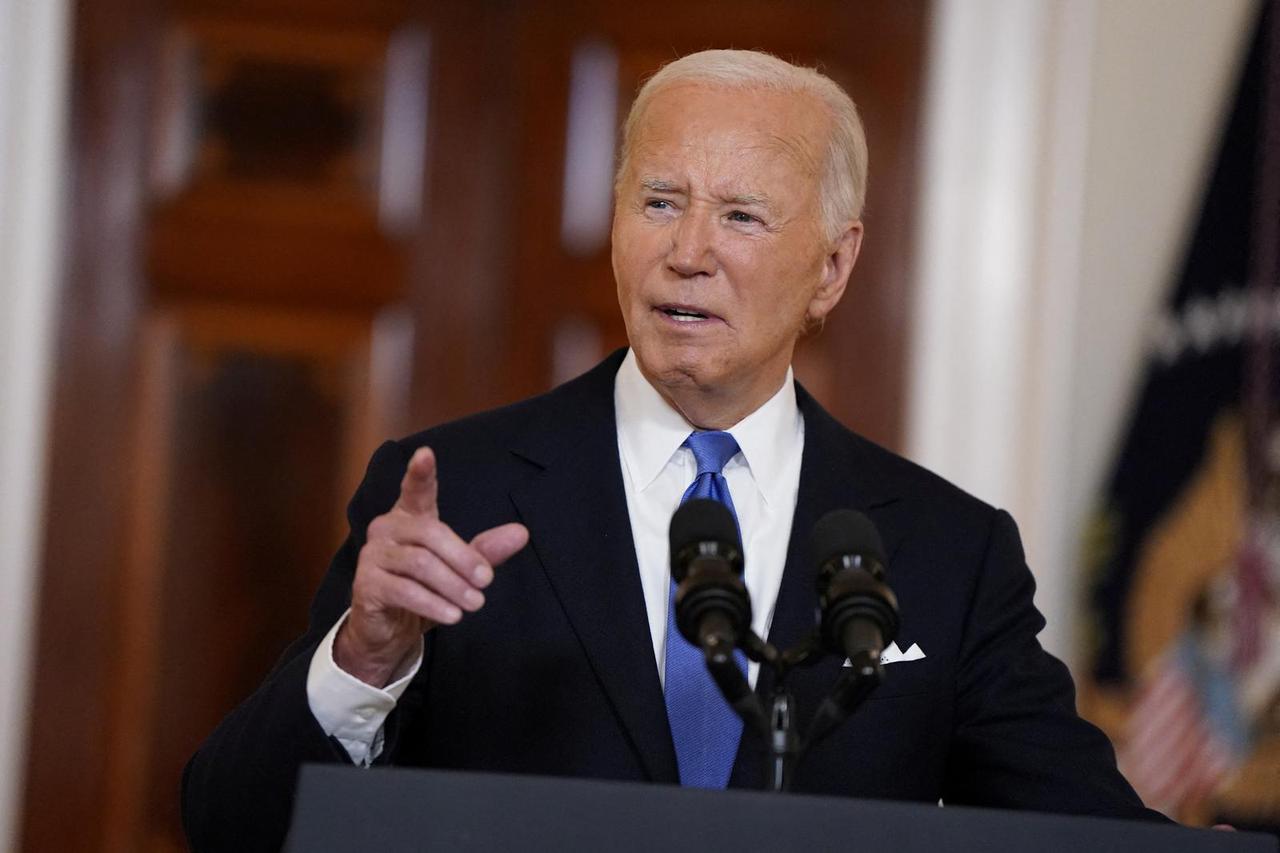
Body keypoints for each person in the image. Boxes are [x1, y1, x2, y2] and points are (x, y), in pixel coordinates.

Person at [182, 49, 1159, 852]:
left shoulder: (949, 551)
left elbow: (1085, 833)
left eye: (739, 215)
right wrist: (363, 655)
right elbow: (233, 826)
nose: (686, 250)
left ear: (831, 264)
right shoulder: (452, 496)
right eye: (658, 201)